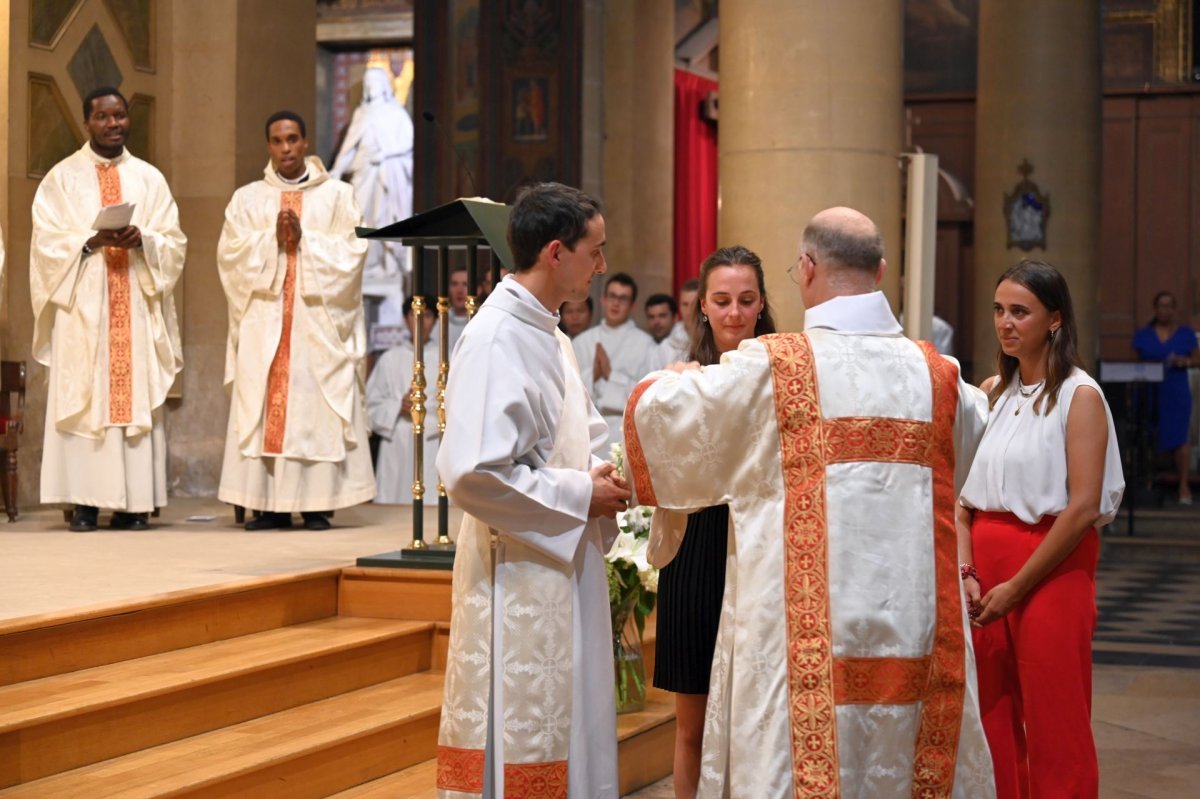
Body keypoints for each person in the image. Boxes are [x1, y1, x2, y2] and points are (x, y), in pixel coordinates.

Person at [624, 207, 995, 796]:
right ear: (879, 270)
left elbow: (662, 422)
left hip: (800, 654)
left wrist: (662, 381)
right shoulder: (943, 378)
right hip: (915, 637)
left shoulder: (773, 370)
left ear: (806, 268)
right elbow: (971, 459)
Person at [435, 182, 630, 798]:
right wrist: (581, 495)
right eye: (594, 251)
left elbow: (585, 436)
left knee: (573, 718)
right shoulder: (497, 336)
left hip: (563, 558)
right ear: (555, 252)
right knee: (528, 726)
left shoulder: (549, 334)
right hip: (518, 570)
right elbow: (473, 472)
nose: (601, 266)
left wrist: (610, 473)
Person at [959, 259, 1124, 799]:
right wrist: (967, 573)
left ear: (1054, 319)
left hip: (1052, 568)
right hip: (984, 571)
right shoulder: (992, 392)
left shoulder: (1080, 397)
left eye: (1020, 312)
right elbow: (963, 503)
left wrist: (1016, 587)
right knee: (992, 717)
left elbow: (1080, 508)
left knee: (1056, 718)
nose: (1005, 323)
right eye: (999, 310)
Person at [31, 86, 186, 532]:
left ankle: (134, 505)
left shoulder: (149, 178)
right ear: (87, 123)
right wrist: (89, 240)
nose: (113, 124)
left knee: (130, 398)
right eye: (103, 117)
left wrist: (147, 240)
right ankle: (84, 503)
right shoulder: (62, 179)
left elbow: (174, 241)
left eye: (120, 116)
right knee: (88, 400)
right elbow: (44, 244)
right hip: (85, 308)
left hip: (134, 303)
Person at [652, 246, 775, 798]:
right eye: (721, 301)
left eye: (745, 300)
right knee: (692, 725)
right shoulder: (682, 378)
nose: (733, 313)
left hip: (760, 550)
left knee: (758, 720)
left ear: (762, 304)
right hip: (698, 549)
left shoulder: (782, 373)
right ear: (702, 305)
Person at [217, 110, 375, 530]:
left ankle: (317, 505)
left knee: (314, 410)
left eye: (292, 139)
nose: (285, 148)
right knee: (267, 406)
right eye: (277, 141)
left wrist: (306, 242)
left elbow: (353, 252)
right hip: (265, 322)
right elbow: (229, 256)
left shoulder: (338, 196)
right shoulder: (248, 198)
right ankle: (268, 506)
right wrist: (272, 242)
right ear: (268, 146)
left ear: (305, 142)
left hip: (316, 325)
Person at [329, 64, 414, 287]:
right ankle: (368, 265)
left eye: (375, 83)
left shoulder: (396, 113)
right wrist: (337, 170)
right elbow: (349, 147)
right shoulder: (362, 113)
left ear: (385, 86)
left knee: (383, 219)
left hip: (386, 176)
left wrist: (385, 155)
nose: (372, 87)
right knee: (361, 218)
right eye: (368, 84)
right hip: (363, 173)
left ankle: (387, 266)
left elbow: (407, 145)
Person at [366, 296, 440, 504]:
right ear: (406, 318)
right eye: (414, 314)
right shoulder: (390, 358)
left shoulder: (446, 358)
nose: (420, 320)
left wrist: (429, 409)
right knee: (395, 501)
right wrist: (398, 406)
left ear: (435, 320)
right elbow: (371, 405)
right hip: (397, 437)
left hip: (432, 437)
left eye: (426, 315)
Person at [572, 272, 656, 445]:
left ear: (632, 305)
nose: (616, 303)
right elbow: (569, 391)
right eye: (612, 296)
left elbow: (649, 397)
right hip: (586, 432)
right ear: (603, 299)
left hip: (624, 431)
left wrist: (611, 375)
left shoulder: (646, 345)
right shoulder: (582, 341)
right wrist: (593, 374)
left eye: (623, 298)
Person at [1132, 290, 1198, 504]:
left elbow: (1196, 359)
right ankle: (1147, 484)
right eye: (1161, 305)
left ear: (1174, 309)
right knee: (1148, 433)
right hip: (1151, 391)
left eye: (1169, 305)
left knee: (1180, 436)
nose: (1165, 310)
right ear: (1155, 308)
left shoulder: (1185, 333)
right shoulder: (1144, 334)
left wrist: (1184, 361)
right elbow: (1134, 363)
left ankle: (1183, 487)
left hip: (1176, 390)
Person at [428, 266, 471, 356]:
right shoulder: (437, 323)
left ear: (478, 289)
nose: (459, 290)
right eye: (454, 284)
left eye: (465, 284)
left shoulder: (482, 321)